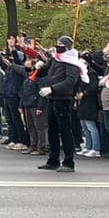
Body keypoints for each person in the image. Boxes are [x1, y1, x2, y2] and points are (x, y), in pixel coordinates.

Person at [36, 36, 84, 172]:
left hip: (63, 99)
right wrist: (38, 68)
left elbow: (70, 81)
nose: (58, 46)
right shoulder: (55, 59)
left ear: (68, 46)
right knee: (52, 131)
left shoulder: (72, 62)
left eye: (61, 44)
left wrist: (52, 88)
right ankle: (53, 160)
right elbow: (45, 72)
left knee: (65, 131)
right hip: (52, 98)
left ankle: (69, 162)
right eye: (57, 44)